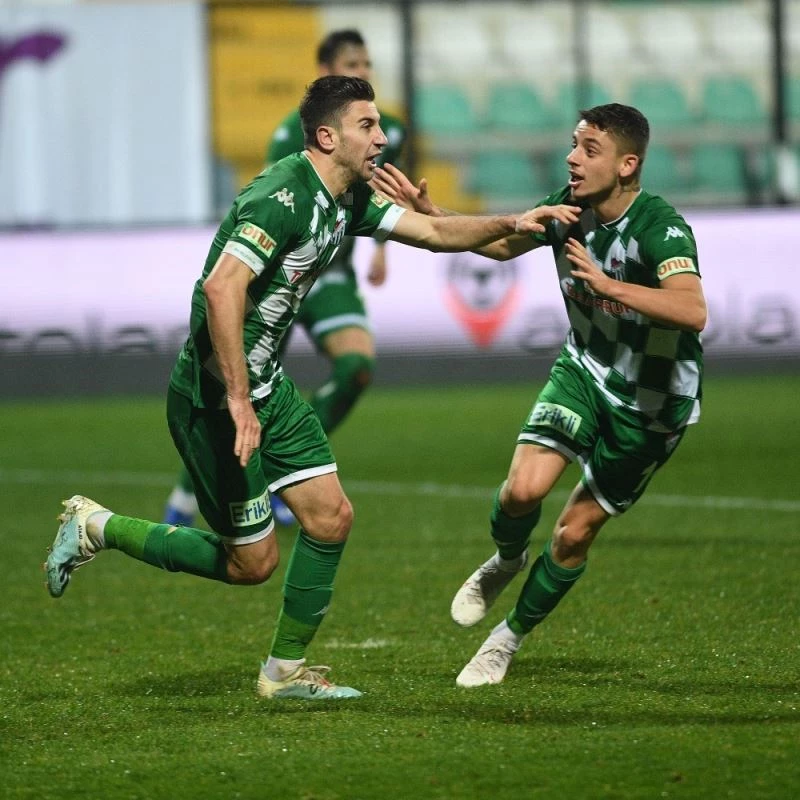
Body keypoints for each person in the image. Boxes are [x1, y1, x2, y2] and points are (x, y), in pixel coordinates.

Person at [45, 75, 573, 700]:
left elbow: (434, 235)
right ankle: (97, 526)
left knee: (331, 517)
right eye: (367, 126)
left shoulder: (348, 197)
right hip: (213, 399)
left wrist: (513, 220)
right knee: (252, 564)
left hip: (270, 388)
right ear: (327, 137)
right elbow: (221, 287)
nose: (382, 138)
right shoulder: (282, 195)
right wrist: (238, 400)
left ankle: (284, 675)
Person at [370, 103, 706, 687]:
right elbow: (504, 246)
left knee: (573, 534)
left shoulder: (661, 227)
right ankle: (507, 558)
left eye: (589, 150)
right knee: (522, 490)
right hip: (585, 369)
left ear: (627, 165)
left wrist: (608, 286)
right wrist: (432, 214)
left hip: (651, 403)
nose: (572, 158)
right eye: (574, 144)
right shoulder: (569, 207)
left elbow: (692, 308)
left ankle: (506, 640)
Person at [163, 29, 405, 529]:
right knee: (239, 376)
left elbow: (384, 197)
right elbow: (282, 205)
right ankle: (189, 493)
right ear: (325, 73)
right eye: (352, 66)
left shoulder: (388, 130)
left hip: (331, 272)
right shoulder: (289, 139)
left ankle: (289, 467)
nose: (363, 73)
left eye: (366, 64)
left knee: (357, 367)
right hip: (281, 274)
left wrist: (383, 247)